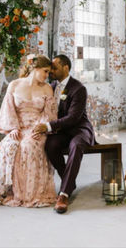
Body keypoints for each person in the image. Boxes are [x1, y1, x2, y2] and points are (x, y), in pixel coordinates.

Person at [0, 54, 57, 208]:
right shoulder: (15, 85)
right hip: (18, 127)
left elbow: (49, 114)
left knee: (28, 146)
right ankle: (5, 190)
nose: (47, 76)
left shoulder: (47, 89)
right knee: (8, 146)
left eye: (48, 73)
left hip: (37, 129)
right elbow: (8, 110)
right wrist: (12, 128)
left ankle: (27, 194)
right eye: (45, 71)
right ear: (34, 68)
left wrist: (41, 128)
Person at [33, 54, 95, 213]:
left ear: (66, 68)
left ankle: (64, 194)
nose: (51, 71)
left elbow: (74, 118)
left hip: (79, 128)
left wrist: (48, 126)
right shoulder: (51, 86)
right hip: (61, 131)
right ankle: (69, 181)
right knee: (50, 145)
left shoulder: (79, 88)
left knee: (77, 145)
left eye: (55, 67)